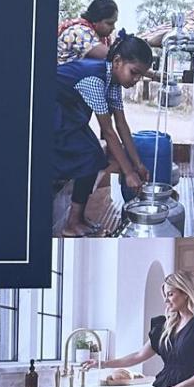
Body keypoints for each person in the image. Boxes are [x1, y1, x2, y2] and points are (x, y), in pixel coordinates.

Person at [53, 34, 153, 237]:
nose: (136, 80)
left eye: (140, 76)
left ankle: (78, 218)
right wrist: (129, 173)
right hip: (49, 107)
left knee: (95, 156)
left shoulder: (113, 81)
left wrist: (137, 164)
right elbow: (108, 131)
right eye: (134, 73)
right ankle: (71, 223)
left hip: (68, 109)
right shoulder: (94, 79)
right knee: (87, 156)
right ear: (117, 62)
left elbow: (121, 125)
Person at [56, 0, 118, 65]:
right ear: (96, 20)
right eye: (109, 23)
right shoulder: (78, 32)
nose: (113, 27)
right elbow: (112, 56)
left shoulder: (102, 37)